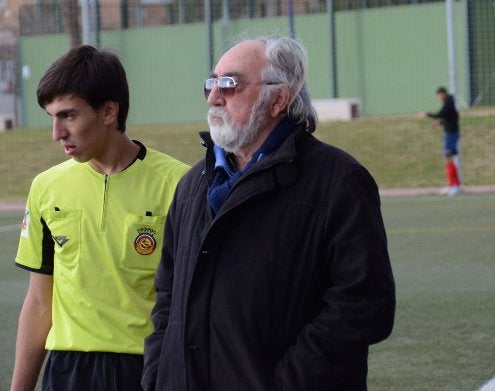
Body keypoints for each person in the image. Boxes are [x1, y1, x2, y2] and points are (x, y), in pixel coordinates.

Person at [142, 36, 396, 390]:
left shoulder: (339, 180)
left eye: (230, 84)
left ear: (279, 98)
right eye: (211, 84)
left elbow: (363, 305)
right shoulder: (191, 187)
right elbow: (167, 296)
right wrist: (159, 374)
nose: (215, 96)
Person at [10, 45, 188, 391]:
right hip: (68, 370)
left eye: (69, 116)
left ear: (108, 112)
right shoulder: (46, 188)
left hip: (149, 367)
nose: (56, 133)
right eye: (52, 118)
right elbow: (38, 303)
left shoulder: (180, 185)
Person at [426, 86, 462, 196]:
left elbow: (440, 114)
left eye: (438, 95)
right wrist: (440, 124)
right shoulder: (450, 103)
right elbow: (450, 119)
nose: (438, 98)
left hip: (451, 134)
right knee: (449, 158)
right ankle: (456, 184)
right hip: (452, 133)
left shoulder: (448, 104)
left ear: (442, 94)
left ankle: (453, 186)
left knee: (448, 158)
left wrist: (427, 114)